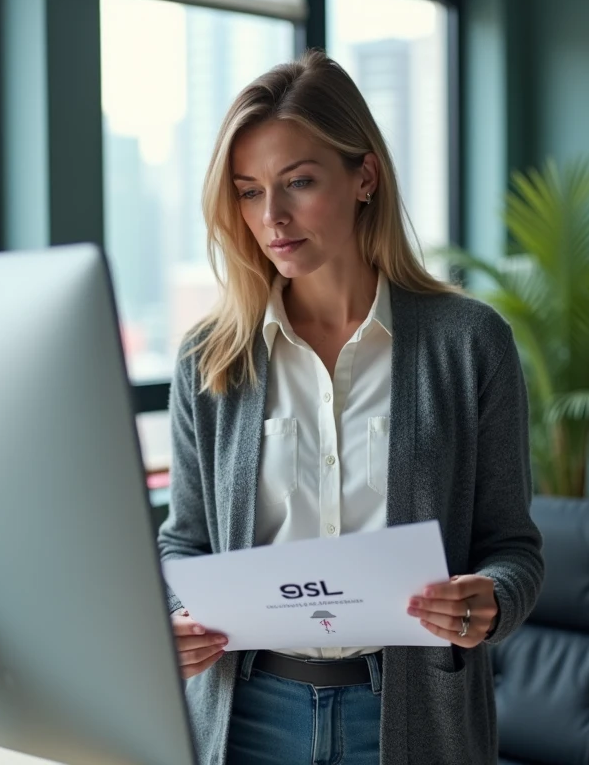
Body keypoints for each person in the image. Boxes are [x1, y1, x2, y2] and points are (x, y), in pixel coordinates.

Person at [156, 49, 544, 765]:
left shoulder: (469, 343)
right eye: (248, 192)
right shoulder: (210, 358)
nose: (271, 217)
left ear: (364, 177)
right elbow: (183, 540)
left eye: (298, 182)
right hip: (247, 718)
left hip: (409, 717)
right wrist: (178, 616)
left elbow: (513, 546)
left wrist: (490, 598)